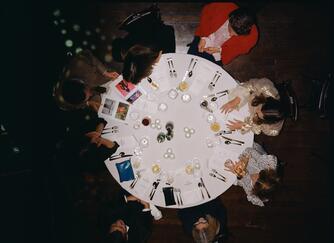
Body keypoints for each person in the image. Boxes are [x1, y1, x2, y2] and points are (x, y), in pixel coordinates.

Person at [111, 4, 175, 84]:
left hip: (154, 31)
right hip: (141, 34)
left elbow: (169, 30)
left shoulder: (164, 44)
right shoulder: (124, 52)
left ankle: (150, 16)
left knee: (168, 54)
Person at [188, 2, 258, 65]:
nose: (230, 34)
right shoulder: (223, 7)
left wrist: (220, 50)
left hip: (220, 54)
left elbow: (235, 51)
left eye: (235, 34)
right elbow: (206, 14)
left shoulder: (252, 37)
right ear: (230, 17)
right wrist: (203, 37)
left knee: (207, 73)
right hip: (205, 37)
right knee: (188, 61)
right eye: (230, 29)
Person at [53, 49, 119, 111]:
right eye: (88, 96)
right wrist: (88, 103)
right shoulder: (62, 100)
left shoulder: (80, 64)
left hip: (101, 78)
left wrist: (105, 72)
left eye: (89, 94)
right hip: (94, 94)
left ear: (83, 85)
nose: (90, 95)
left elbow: (88, 54)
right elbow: (75, 105)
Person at [220, 78, 288, 136]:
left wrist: (244, 125)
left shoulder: (271, 129)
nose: (256, 111)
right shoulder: (265, 88)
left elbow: (257, 128)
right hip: (247, 99)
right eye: (260, 108)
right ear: (267, 101)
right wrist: (237, 99)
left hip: (246, 115)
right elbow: (250, 85)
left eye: (258, 115)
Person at [224, 142, 281, 207]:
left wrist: (237, 174)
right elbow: (250, 150)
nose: (253, 177)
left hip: (235, 161)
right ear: (265, 174)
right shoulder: (266, 166)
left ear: (254, 190)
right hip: (249, 148)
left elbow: (241, 183)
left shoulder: (251, 191)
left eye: (253, 182)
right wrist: (244, 160)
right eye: (258, 175)